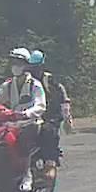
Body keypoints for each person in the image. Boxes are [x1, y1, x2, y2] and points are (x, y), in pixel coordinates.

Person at [0, 47, 46, 191]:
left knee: (24, 143)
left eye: (19, 63)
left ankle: (27, 176)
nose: (16, 66)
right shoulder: (8, 84)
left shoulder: (35, 85)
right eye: (14, 62)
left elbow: (40, 106)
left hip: (30, 123)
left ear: (27, 65)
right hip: (11, 123)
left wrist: (26, 114)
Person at [27, 49, 71, 182]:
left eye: (37, 67)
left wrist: (67, 117)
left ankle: (50, 163)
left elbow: (63, 97)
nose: (34, 70)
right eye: (32, 67)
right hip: (29, 114)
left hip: (49, 116)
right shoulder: (24, 80)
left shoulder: (49, 80)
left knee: (48, 132)